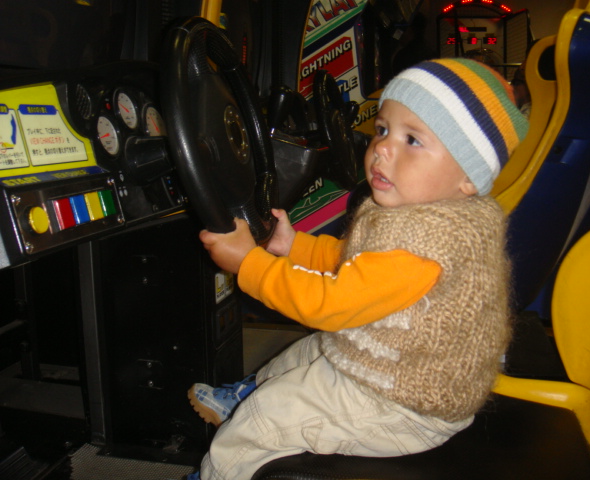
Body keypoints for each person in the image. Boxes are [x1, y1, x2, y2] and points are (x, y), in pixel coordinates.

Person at [190, 57, 529, 480]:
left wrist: (248, 263)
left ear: (469, 178)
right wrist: (292, 246)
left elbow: (327, 304)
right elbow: (353, 261)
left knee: (266, 419)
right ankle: (247, 395)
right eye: (383, 130)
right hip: (386, 365)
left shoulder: (429, 248)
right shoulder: (421, 213)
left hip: (404, 404)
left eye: (413, 140)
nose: (382, 148)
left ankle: (224, 460)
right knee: (307, 353)